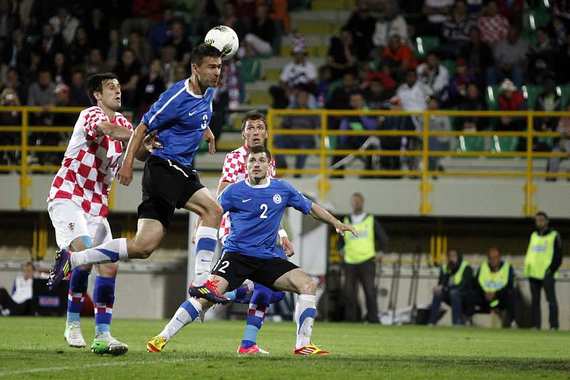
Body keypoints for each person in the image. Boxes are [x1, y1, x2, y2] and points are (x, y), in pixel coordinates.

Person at [47, 44, 224, 306]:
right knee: (213, 211)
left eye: (219, 67)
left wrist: (204, 128)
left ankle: (73, 260)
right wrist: (129, 163)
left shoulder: (206, 93)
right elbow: (142, 127)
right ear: (194, 68)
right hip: (167, 168)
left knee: (143, 247)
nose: (217, 72)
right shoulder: (173, 97)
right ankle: (200, 282)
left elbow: (190, 115)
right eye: (211, 67)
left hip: (150, 178)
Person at [146, 145, 357, 355]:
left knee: (308, 284)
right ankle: (162, 337)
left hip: (267, 258)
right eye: (252, 161)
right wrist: (198, 230)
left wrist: (336, 222)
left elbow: (311, 208)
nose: (256, 165)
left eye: (261, 161)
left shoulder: (282, 189)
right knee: (204, 298)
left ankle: (303, 345)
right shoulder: (234, 191)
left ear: (269, 165)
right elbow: (209, 212)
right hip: (237, 256)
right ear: (246, 166)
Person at [46, 72, 144, 355]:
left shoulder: (125, 123)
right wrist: (140, 134)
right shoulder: (90, 114)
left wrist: (151, 142)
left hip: (96, 206)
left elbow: (141, 152)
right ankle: (72, 323)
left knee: (110, 265)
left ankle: (102, 334)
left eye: (119, 86)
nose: (117, 91)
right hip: (69, 195)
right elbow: (108, 130)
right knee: (85, 254)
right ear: (98, 95)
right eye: (110, 87)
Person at [206, 110, 294, 354]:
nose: (255, 132)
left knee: (273, 293)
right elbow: (223, 190)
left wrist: (283, 234)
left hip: (265, 235)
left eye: (259, 128)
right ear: (243, 132)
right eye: (250, 128)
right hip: (239, 233)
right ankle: (245, 335)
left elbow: (272, 204)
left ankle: (236, 301)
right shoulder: (235, 157)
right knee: (268, 288)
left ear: (266, 132)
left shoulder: (269, 160)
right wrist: (207, 225)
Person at [338, 193, 388, 323]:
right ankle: (351, 320)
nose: (356, 203)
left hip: (367, 261)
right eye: (354, 201)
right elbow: (340, 241)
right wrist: (341, 250)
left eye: (358, 201)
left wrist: (381, 252)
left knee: (370, 292)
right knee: (349, 293)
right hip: (350, 261)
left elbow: (383, 238)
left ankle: (373, 319)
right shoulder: (346, 220)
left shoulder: (370, 220)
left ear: (362, 202)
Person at [524, 211, 563, 330]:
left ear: (547, 221)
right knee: (535, 302)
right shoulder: (533, 235)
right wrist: (528, 269)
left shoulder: (554, 235)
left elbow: (558, 255)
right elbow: (530, 253)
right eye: (537, 220)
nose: (539, 222)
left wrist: (551, 269)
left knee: (551, 300)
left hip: (547, 273)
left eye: (541, 220)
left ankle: (554, 325)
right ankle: (536, 325)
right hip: (533, 273)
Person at [429, 249, 474, 325]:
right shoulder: (445, 268)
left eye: (453, 256)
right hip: (450, 293)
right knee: (437, 293)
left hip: (465, 296)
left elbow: (463, 286)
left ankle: (456, 323)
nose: (451, 258)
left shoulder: (466, 267)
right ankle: (431, 322)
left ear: (459, 257)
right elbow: (441, 284)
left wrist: (445, 288)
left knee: (454, 293)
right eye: (449, 256)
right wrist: (439, 287)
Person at [473, 247, 516, 328]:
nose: (493, 260)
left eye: (495, 257)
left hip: (500, 297)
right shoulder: (483, 267)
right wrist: (484, 293)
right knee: (470, 295)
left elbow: (509, 286)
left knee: (512, 295)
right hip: (484, 297)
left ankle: (510, 323)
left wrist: (495, 294)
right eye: (490, 258)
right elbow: (476, 284)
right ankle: (467, 322)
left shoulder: (507, 267)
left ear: (500, 257)